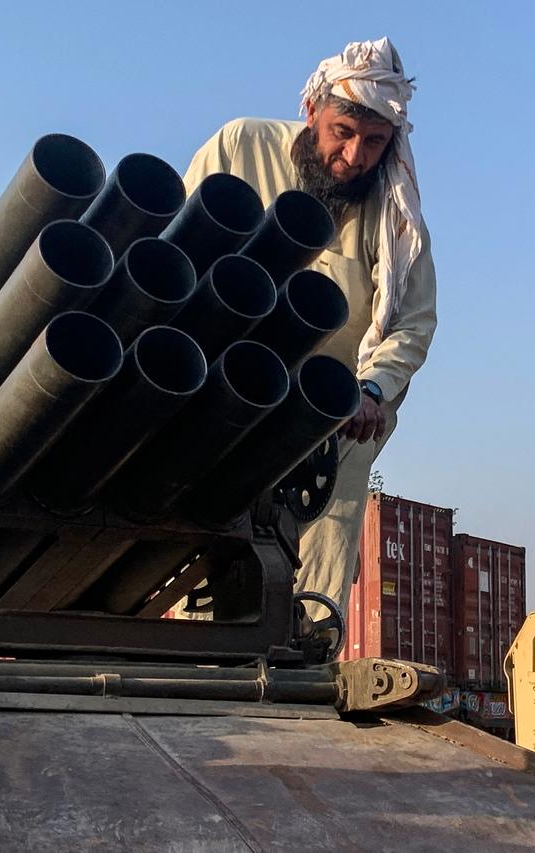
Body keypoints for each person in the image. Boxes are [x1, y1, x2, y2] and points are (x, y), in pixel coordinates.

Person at [182, 37, 437, 621]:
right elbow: (180, 246)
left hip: (330, 416)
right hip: (226, 388)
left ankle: (311, 640)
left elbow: (413, 320)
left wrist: (370, 390)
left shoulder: (395, 217)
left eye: (374, 142)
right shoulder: (240, 147)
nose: (354, 156)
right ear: (311, 111)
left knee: (322, 535)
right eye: (342, 133)